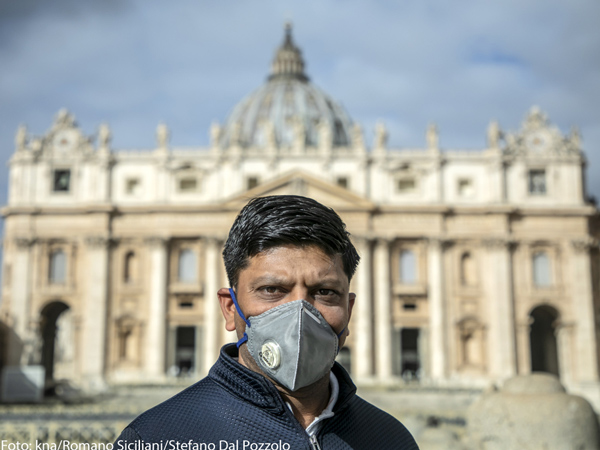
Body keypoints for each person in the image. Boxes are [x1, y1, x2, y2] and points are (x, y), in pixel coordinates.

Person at [115, 195, 419, 450]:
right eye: (272, 290)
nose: (298, 313)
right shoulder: (155, 438)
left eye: (324, 292)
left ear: (348, 310)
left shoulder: (392, 440)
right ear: (230, 308)